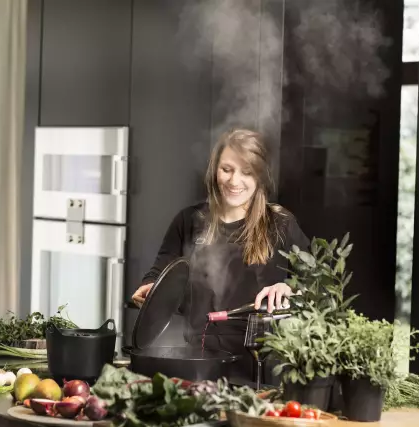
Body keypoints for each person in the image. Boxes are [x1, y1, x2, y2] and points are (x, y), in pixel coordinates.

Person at [131, 129, 309, 382]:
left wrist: (290, 288)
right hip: (200, 362)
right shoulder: (189, 220)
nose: (234, 181)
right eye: (227, 169)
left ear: (260, 176)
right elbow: (160, 271)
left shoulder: (280, 224)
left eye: (247, 172)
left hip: (262, 365)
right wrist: (150, 289)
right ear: (214, 170)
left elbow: (318, 283)